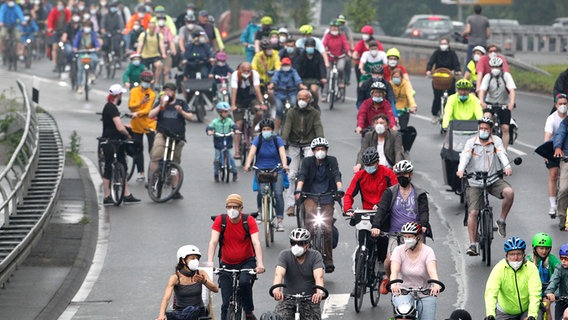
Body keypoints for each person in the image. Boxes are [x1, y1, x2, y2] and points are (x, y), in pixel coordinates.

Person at [371, 160, 431, 294]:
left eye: (404, 174)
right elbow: (382, 209)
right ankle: (388, 278)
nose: (401, 177)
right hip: (395, 233)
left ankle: (424, 285)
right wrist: (376, 225)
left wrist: (423, 226)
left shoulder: (419, 193)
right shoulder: (390, 192)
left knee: (420, 262)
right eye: (398, 174)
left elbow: (424, 212)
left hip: (415, 234)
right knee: (388, 261)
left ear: (410, 175)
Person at [457, 117, 514, 255]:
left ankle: (501, 221)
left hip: (492, 179)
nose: (483, 131)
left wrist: (507, 167)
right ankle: (472, 244)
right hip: (474, 181)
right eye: (481, 128)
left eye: (486, 129)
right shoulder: (471, 142)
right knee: (473, 212)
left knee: (509, 192)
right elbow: (464, 156)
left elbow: (502, 154)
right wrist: (460, 169)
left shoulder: (496, 141)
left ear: (491, 130)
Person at [207, 193, 265, 320]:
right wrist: (210, 262)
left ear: (241, 208)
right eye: (229, 207)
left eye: (235, 207)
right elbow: (213, 242)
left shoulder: (248, 220)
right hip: (226, 263)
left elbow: (256, 242)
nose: (231, 210)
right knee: (226, 303)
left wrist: (260, 264)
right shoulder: (220, 220)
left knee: (244, 283)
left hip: (246, 262)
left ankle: (249, 312)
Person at [295, 137, 343, 273]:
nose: (320, 151)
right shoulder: (307, 161)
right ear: (313, 151)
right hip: (310, 196)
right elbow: (302, 176)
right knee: (309, 225)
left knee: (327, 228)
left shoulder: (332, 161)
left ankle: (328, 260)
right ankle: (307, 255)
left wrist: (339, 189)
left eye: (322, 149)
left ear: (326, 151)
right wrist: (299, 190)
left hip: (327, 197)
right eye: (317, 149)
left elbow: (336, 175)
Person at [148, 83, 196, 200]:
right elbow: (150, 115)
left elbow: (191, 117)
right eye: (165, 91)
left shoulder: (181, 103)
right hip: (162, 134)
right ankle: (152, 180)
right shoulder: (161, 102)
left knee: (174, 163)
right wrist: (160, 106)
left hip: (177, 136)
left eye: (170, 91)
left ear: (174, 92)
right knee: (156, 155)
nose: (167, 93)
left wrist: (181, 112)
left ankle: (175, 189)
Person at [281, 89, 324, 216]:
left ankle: (312, 200)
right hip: (294, 145)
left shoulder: (314, 113)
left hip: (309, 145)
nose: (301, 101)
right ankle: (290, 205)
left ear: (309, 100)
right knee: (292, 174)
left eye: (304, 98)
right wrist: (284, 140)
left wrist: (320, 143)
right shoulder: (291, 112)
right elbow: (287, 127)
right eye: (299, 98)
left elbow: (318, 127)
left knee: (310, 171)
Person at [243, 118, 289, 231]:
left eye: (268, 129)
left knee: (278, 194)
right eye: (264, 129)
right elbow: (252, 153)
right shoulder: (257, 140)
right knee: (261, 192)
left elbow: (283, 153)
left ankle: (279, 221)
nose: (266, 131)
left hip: (276, 170)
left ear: (272, 130)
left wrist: (284, 165)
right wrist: (247, 164)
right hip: (261, 170)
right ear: (261, 131)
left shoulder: (277, 140)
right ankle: (260, 212)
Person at [389, 222, 441, 320]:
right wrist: (393, 284)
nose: (407, 239)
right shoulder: (398, 250)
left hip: (425, 293)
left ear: (418, 237)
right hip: (404, 291)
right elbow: (394, 271)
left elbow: (432, 271)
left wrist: (436, 284)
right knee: (404, 316)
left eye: (410, 236)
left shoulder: (428, 251)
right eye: (405, 236)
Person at [271, 228, 325, 319]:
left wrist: (319, 293)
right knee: (277, 317)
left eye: (300, 243)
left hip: (310, 299)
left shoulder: (315, 256)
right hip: (288, 299)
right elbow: (279, 274)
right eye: (293, 243)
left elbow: (319, 276)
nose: (296, 246)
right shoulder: (284, 255)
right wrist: (276, 289)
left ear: (307, 244)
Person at [100, 84, 141, 204]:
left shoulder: (108, 106)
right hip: (114, 141)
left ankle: (108, 196)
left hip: (107, 140)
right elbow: (119, 127)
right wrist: (127, 134)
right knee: (120, 164)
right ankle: (125, 194)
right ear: (118, 95)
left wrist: (124, 125)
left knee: (109, 166)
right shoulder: (112, 108)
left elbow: (114, 123)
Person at [484, 237, 541, 320]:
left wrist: (532, 315)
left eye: (519, 254)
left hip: (527, 309)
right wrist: (490, 314)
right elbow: (491, 293)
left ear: (524, 255)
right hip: (505, 312)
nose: (515, 258)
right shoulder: (499, 268)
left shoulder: (531, 268)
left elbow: (535, 293)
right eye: (512, 254)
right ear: (506, 256)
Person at [156, 245, 219, 320]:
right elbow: (166, 298)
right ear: (183, 260)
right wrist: (161, 315)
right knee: (167, 316)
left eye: (196, 258)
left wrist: (203, 281)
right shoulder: (175, 278)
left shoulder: (201, 273)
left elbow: (215, 289)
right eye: (192, 258)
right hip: (180, 312)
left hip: (198, 311)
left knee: (192, 310)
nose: (195, 260)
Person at [479, 56, 517, 149]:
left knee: (505, 128)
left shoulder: (506, 76)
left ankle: (504, 150)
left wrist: (511, 102)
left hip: (503, 104)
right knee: (486, 119)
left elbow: (512, 90)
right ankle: (484, 144)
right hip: (490, 103)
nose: (495, 69)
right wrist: (482, 101)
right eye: (493, 67)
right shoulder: (488, 77)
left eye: (497, 67)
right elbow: (482, 90)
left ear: (501, 67)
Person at [230, 62, 266, 159]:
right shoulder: (235, 75)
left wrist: (261, 104)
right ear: (240, 70)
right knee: (238, 125)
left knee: (259, 112)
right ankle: (237, 150)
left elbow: (257, 89)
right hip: (238, 100)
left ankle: (253, 127)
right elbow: (234, 90)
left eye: (248, 71)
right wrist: (233, 105)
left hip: (251, 99)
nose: (246, 73)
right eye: (244, 71)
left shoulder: (254, 74)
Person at [346, 147, 398, 214]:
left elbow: (396, 192)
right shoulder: (360, 175)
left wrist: (383, 204)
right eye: (367, 165)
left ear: (378, 162)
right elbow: (349, 194)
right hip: (366, 212)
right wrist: (348, 209)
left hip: (385, 210)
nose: (369, 167)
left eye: (372, 164)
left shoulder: (388, 173)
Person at [128, 70, 156, 182]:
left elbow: (148, 109)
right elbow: (131, 106)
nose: (146, 83)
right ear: (141, 80)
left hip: (149, 124)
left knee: (152, 149)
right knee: (138, 149)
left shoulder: (152, 94)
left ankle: (153, 172)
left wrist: (138, 112)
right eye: (145, 81)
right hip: (136, 125)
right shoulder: (134, 91)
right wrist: (140, 103)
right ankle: (141, 173)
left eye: (148, 81)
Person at [426, 38, 462, 124]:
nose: (443, 45)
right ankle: (435, 114)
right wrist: (428, 70)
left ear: (448, 44)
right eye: (442, 43)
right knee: (437, 96)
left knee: (452, 96)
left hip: (449, 77)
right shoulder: (436, 53)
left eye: (445, 43)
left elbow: (456, 64)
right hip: (438, 77)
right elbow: (431, 62)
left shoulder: (452, 54)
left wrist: (458, 70)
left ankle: (453, 113)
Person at [527, 233, 561, 320]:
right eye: (541, 248)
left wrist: (556, 292)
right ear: (535, 248)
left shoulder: (552, 259)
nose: (544, 251)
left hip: (547, 289)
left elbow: (560, 272)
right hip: (532, 288)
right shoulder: (529, 259)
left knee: (547, 307)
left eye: (547, 248)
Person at [545, 94, 568, 217]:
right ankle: (553, 205)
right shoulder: (551, 119)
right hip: (555, 148)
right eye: (561, 104)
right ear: (556, 105)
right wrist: (546, 154)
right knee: (553, 175)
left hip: (567, 149)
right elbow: (548, 136)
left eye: (565, 103)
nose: (563, 106)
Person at [268, 57, 306, 132]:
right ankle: (276, 130)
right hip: (279, 93)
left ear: (290, 64)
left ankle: (296, 126)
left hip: (291, 93)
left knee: (294, 106)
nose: (286, 66)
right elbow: (274, 79)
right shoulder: (278, 72)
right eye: (284, 65)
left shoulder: (293, 72)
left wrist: (301, 85)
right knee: (279, 109)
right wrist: (272, 84)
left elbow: (297, 79)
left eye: (287, 65)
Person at [206, 102, 238, 183]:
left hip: (228, 141)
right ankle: (216, 174)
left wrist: (235, 129)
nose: (226, 113)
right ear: (220, 112)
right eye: (224, 112)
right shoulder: (215, 121)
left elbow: (234, 126)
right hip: (218, 142)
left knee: (231, 157)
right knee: (217, 159)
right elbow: (209, 127)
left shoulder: (229, 120)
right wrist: (209, 131)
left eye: (227, 111)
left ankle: (235, 173)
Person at [321, 20, 350, 103]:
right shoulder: (328, 36)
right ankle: (324, 94)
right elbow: (324, 44)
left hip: (340, 56)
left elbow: (346, 44)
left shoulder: (342, 36)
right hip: (330, 57)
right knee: (327, 75)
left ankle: (341, 81)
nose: (334, 29)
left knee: (340, 68)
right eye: (332, 27)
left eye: (336, 27)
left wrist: (348, 51)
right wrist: (324, 51)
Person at [294, 38, 327, 106]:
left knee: (313, 90)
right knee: (302, 92)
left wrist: (323, 77)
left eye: (311, 46)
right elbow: (297, 68)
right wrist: (297, 80)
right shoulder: (301, 56)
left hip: (315, 79)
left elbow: (322, 67)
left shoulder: (318, 55)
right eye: (308, 46)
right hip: (303, 79)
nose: (310, 48)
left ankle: (315, 105)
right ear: (305, 47)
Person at [552, 96, 568, 231]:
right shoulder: (566, 122)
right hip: (567, 159)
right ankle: (562, 218)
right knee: (563, 189)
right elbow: (560, 134)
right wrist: (558, 147)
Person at [72, 21, 100, 94]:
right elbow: (75, 42)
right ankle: (80, 86)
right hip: (81, 52)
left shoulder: (93, 34)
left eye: (88, 27)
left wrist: (97, 47)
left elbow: (96, 42)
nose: (87, 28)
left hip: (91, 52)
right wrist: (75, 48)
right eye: (86, 26)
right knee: (80, 69)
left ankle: (92, 72)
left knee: (95, 60)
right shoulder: (79, 34)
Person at [137, 21, 167, 87]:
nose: (152, 29)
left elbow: (161, 45)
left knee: (159, 65)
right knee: (143, 70)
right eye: (150, 27)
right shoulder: (143, 35)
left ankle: (156, 82)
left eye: (153, 28)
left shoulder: (159, 35)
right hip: (145, 56)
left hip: (155, 56)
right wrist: (138, 53)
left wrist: (163, 53)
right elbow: (140, 44)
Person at [544, 243, 568, 320]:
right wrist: (550, 291)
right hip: (561, 300)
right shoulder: (559, 268)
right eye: (561, 258)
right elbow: (554, 280)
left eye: (566, 259)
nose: (563, 261)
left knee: (566, 316)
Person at [46, 0, 70, 70]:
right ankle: (55, 63)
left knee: (65, 46)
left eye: (61, 4)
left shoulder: (67, 12)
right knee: (54, 47)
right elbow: (50, 20)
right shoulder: (54, 11)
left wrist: (66, 32)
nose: (59, 6)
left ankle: (65, 60)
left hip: (64, 31)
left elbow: (68, 21)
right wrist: (50, 28)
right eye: (58, 4)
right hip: (55, 30)